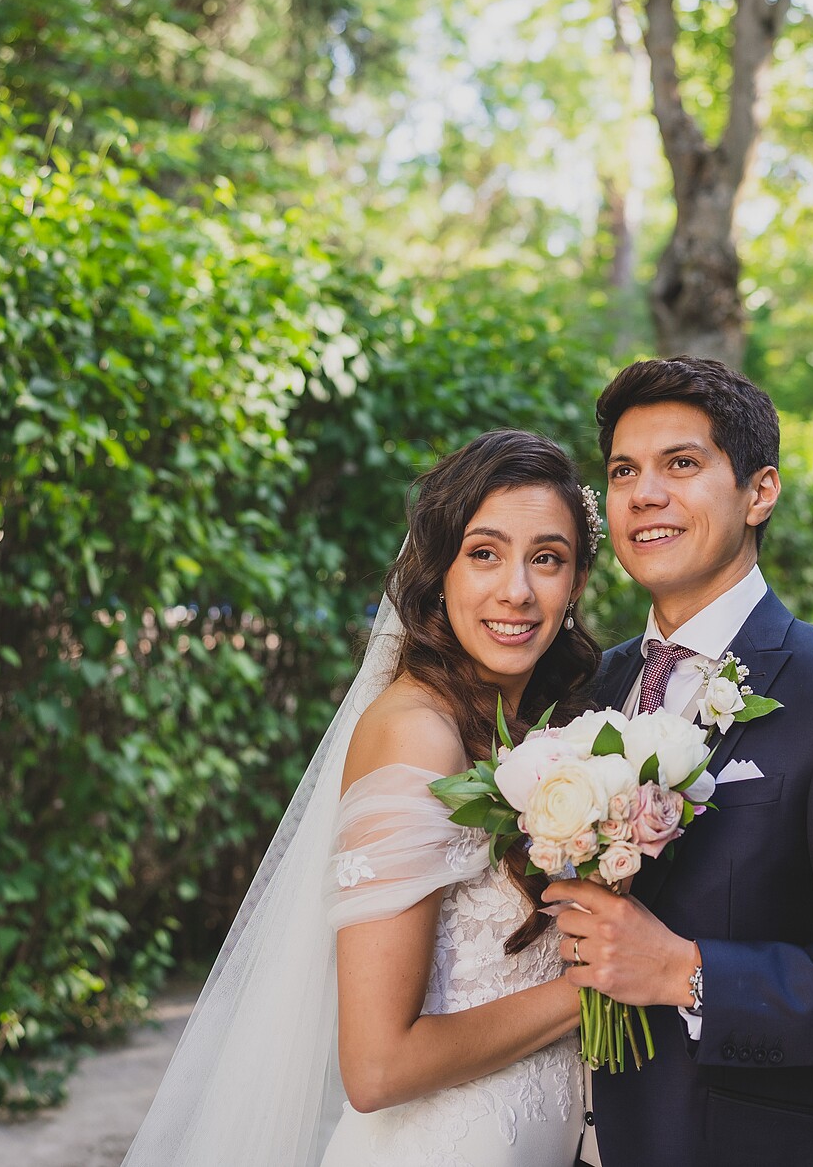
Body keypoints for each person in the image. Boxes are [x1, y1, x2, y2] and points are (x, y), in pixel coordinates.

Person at [122, 429, 602, 1167]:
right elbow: (378, 1068)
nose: (517, 589)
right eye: (484, 552)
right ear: (438, 571)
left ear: (575, 584)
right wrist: (596, 988)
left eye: (547, 558)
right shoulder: (419, 735)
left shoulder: (544, 729)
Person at [545, 357, 813, 1167]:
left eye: (682, 464)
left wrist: (688, 974)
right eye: (624, 471)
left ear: (760, 491)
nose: (645, 495)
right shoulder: (584, 685)